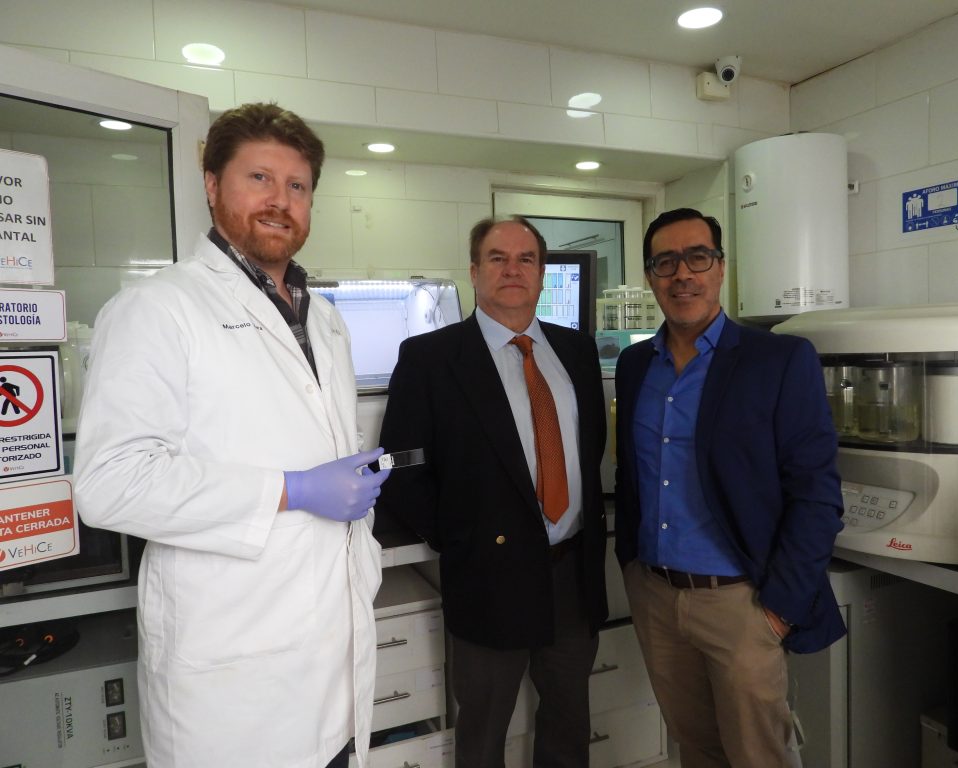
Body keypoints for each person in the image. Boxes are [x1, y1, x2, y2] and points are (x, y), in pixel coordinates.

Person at [74, 103, 390, 768]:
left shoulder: (325, 320)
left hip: (334, 662)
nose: (281, 200)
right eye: (259, 178)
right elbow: (110, 483)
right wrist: (293, 490)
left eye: (297, 185)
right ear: (213, 185)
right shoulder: (158, 308)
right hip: (234, 685)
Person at [614, 207, 846, 768]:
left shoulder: (778, 359)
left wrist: (779, 609)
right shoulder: (635, 365)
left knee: (758, 757)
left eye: (698, 257)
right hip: (656, 597)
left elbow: (816, 492)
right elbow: (630, 474)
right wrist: (631, 567)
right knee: (696, 750)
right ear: (650, 276)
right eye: (665, 262)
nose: (682, 274)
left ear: (720, 268)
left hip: (742, 604)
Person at [376, 216, 608, 768]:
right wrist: (459, 537)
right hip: (487, 576)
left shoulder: (576, 351)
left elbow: (590, 446)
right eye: (497, 258)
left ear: (542, 274)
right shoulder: (430, 357)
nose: (512, 270)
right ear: (474, 272)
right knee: (483, 733)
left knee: (569, 725)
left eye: (526, 259)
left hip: (571, 576)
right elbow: (400, 468)